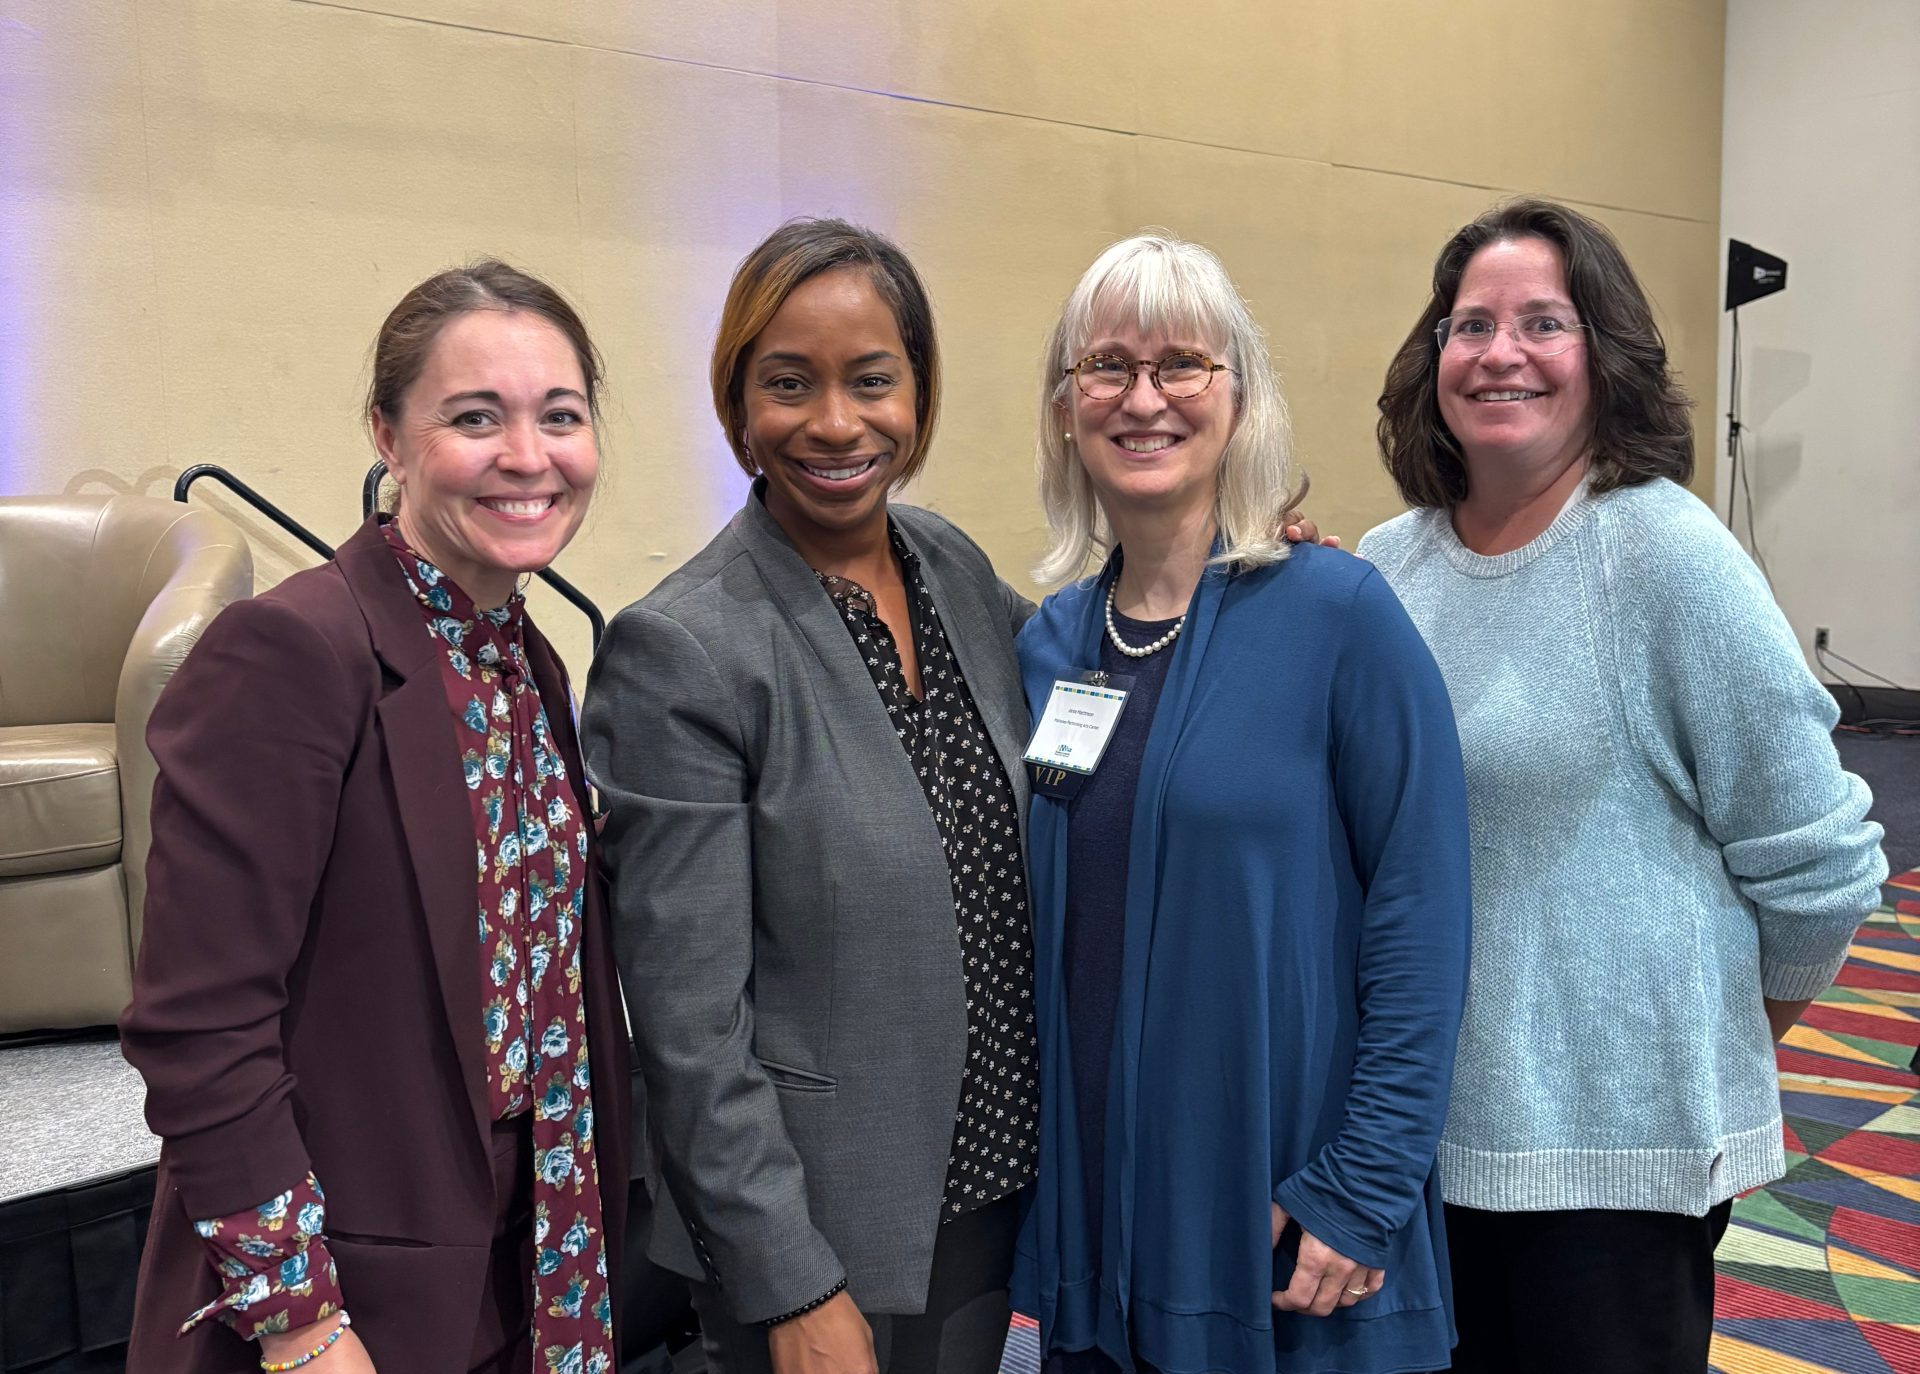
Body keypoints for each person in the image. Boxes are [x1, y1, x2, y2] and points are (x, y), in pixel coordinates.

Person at [1359, 199, 1888, 1374]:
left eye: (1545, 322)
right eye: (1470, 324)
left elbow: (1824, 860)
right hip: (1420, 1144)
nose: (1501, 352)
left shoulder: (1662, 552)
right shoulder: (1385, 567)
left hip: (1617, 1163)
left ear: (1606, 357)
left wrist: (1727, 1038)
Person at [121, 261, 631, 1374]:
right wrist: (300, 1320)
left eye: (560, 415)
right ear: (388, 437)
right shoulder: (291, 650)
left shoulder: (525, 657)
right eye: (473, 418)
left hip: (528, 1261)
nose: (528, 456)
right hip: (346, 1299)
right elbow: (199, 1029)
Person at [582, 220, 1040, 1374]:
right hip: (827, 1238)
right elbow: (689, 1028)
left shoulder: (954, 568)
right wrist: (791, 1283)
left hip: (995, 1196)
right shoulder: (684, 648)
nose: (836, 423)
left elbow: (1114, 687)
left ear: (919, 396)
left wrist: (1250, 590)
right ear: (739, 405)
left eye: (871, 380)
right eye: (789, 384)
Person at [1012, 232, 1472, 1374]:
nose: (1143, 398)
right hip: (1101, 1223)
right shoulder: (1047, 644)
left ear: (1240, 397)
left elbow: (1424, 917)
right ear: (1067, 409)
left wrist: (1366, 1185)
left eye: (1183, 365)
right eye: (1106, 366)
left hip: (1286, 1219)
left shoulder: (1339, 617)